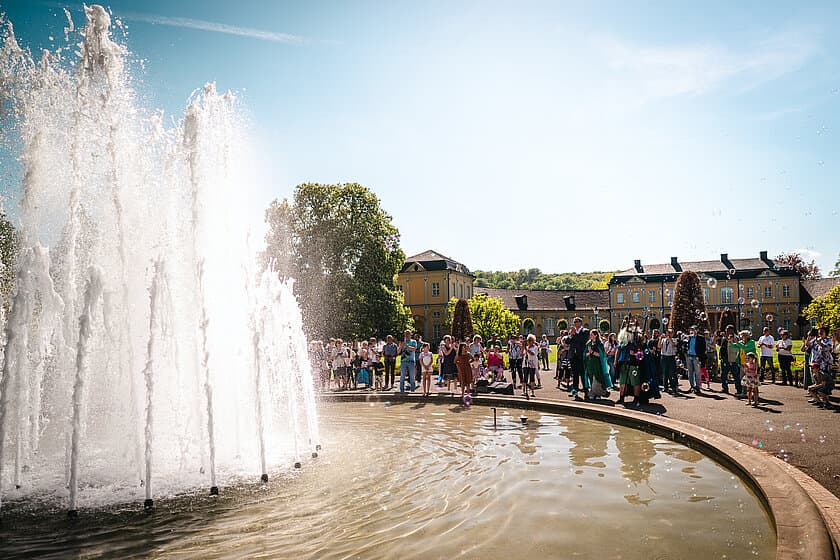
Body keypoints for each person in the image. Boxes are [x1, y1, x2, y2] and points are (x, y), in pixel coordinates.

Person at [584, 329, 612, 399]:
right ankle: (593, 393)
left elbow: (601, 355)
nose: (590, 336)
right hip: (590, 364)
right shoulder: (588, 344)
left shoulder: (600, 344)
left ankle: (599, 394)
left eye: (592, 335)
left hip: (597, 364)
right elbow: (585, 354)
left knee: (597, 379)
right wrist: (588, 353)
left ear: (596, 335)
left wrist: (592, 352)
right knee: (591, 378)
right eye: (590, 335)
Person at [567, 317, 590, 397]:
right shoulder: (572, 332)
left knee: (583, 374)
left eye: (577, 322)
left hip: (581, 355)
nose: (575, 323)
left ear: (580, 323)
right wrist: (570, 335)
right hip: (573, 356)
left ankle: (586, 390)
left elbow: (582, 340)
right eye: (574, 322)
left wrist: (574, 334)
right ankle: (575, 390)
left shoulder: (585, 331)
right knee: (575, 374)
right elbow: (567, 341)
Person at [685, 326, 707, 394]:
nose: (692, 331)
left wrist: (700, 358)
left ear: (697, 330)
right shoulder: (689, 337)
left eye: (694, 329)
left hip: (696, 357)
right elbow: (685, 346)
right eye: (691, 329)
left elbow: (703, 349)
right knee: (690, 372)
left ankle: (697, 387)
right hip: (689, 356)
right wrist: (685, 353)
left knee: (697, 373)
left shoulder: (701, 338)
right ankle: (692, 386)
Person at [659, 328, 678, 394]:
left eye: (670, 333)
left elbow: (673, 344)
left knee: (671, 373)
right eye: (668, 332)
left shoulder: (674, 339)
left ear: (673, 333)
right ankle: (665, 387)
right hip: (664, 357)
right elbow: (659, 346)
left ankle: (673, 387)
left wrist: (669, 338)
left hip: (671, 357)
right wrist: (660, 339)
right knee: (665, 372)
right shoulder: (663, 340)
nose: (669, 334)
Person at [523, 334, 539, 398]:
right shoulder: (526, 347)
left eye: (530, 340)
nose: (529, 342)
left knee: (532, 378)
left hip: (532, 364)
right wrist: (523, 347)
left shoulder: (535, 347)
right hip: (525, 364)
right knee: (525, 378)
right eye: (528, 341)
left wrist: (526, 349)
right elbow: (523, 354)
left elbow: (532, 354)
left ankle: (532, 391)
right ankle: (524, 391)